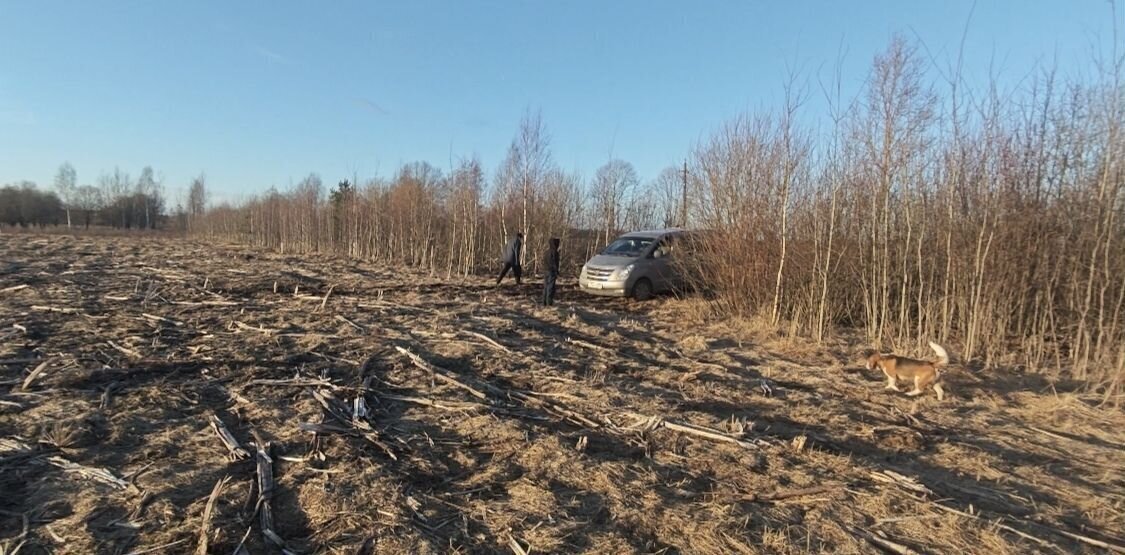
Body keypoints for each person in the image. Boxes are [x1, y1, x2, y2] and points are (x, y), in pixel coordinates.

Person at [542, 237, 560, 305]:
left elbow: (545, 262)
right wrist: (556, 271)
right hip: (551, 272)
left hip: (546, 271)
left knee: (546, 287)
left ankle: (544, 302)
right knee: (550, 287)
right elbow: (554, 263)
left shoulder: (546, 252)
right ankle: (549, 302)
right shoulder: (555, 252)